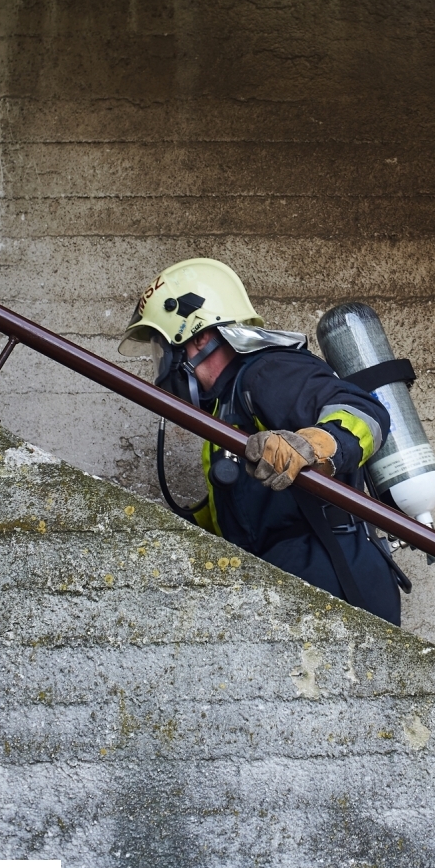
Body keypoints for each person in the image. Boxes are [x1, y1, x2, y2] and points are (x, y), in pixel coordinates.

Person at [118, 257, 404, 624]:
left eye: (164, 348)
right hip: (297, 575)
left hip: (332, 572)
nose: (162, 367)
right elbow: (243, 516)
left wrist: (312, 445)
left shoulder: (268, 371)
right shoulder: (227, 409)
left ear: (200, 336)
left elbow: (364, 411)